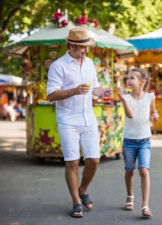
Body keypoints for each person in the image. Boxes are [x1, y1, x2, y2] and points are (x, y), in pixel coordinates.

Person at [47, 28, 112, 218]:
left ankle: (83, 189)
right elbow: (51, 94)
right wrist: (73, 91)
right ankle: (76, 200)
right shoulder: (58, 66)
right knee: (72, 162)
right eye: (83, 47)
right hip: (67, 119)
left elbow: (94, 88)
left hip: (88, 117)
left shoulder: (90, 63)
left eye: (87, 46)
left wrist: (102, 92)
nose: (86, 50)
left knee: (94, 160)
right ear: (72, 45)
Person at [118, 68, 158, 218]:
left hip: (144, 141)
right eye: (128, 78)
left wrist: (155, 116)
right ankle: (130, 195)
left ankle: (145, 205)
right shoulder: (126, 98)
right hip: (129, 141)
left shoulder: (150, 97)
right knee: (129, 171)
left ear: (142, 82)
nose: (128, 80)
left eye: (132, 78)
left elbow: (153, 112)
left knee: (143, 170)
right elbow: (131, 115)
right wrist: (122, 99)